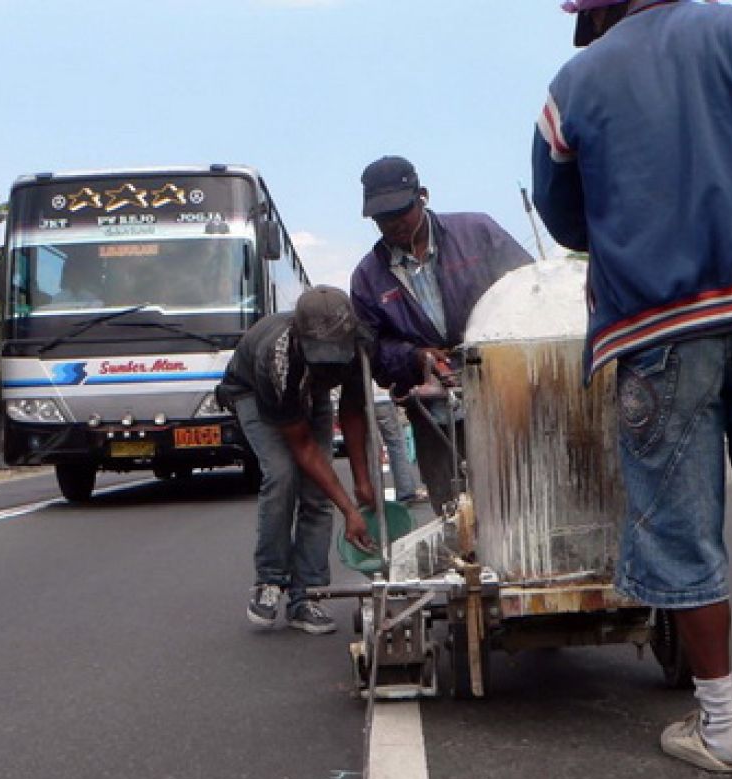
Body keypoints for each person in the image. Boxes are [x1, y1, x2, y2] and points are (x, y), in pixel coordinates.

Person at [532, 0, 732, 772]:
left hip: (652, 327)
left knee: (679, 526)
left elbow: (568, 222)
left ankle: (721, 727)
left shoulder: (571, 86)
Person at [350, 156, 534, 514]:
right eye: (382, 219)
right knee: (455, 516)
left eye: (401, 211)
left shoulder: (478, 232)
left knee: (516, 501)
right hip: (432, 414)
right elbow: (371, 353)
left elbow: (527, 290)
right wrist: (414, 357)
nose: (394, 225)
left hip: (504, 397)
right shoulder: (367, 278)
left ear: (423, 196)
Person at [217, 286, 376, 635]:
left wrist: (363, 483)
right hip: (253, 392)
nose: (330, 364)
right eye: (322, 356)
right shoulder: (276, 358)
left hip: (309, 392)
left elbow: (351, 411)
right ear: (301, 338)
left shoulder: (363, 344)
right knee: (283, 475)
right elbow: (302, 447)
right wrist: (350, 511)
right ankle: (270, 580)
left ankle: (307, 596)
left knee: (318, 495)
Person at [373, 386, 425, 506]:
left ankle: (373, 495)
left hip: (363, 399)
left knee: (369, 447)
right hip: (384, 397)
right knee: (396, 444)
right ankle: (405, 490)